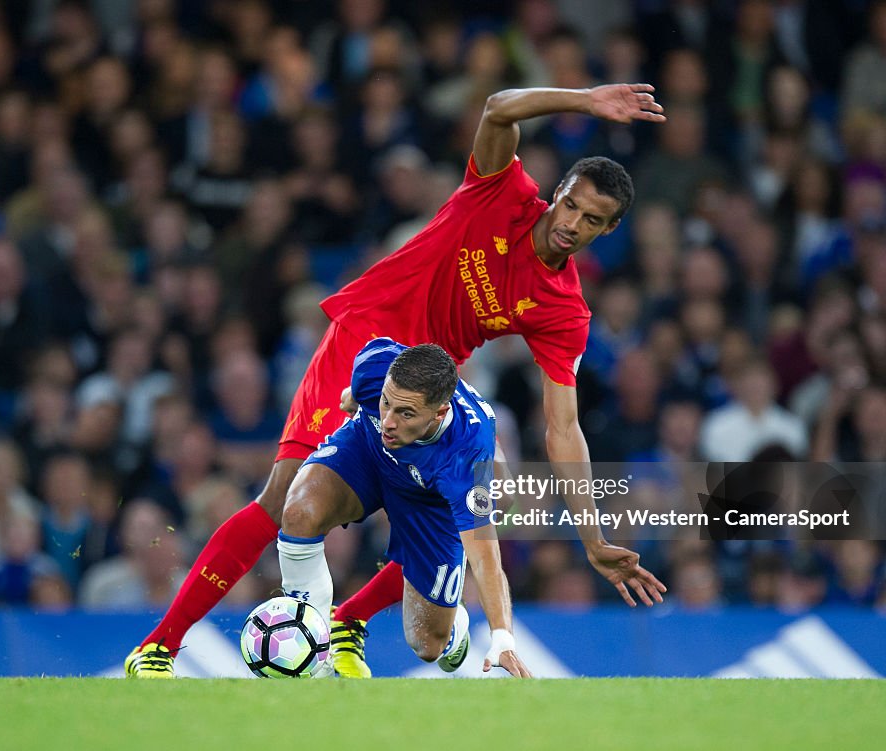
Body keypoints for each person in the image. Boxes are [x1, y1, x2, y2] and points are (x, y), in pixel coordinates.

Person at [125, 82, 667, 678]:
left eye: (592, 221)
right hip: (367, 339)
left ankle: (350, 619)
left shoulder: (564, 309)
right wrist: (586, 101)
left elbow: (565, 427)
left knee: (492, 493)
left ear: (607, 232)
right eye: (571, 205)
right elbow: (496, 108)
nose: (573, 224)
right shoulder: (502, 194)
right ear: (557, 192)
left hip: (428, 380)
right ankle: (161, 646)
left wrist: (591, 539)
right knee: (285, 500)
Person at [279, 339, 534, 677]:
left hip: (429, 500)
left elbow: (485, 557)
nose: (389, 420)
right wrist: (358, 399)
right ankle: (314, 654)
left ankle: (449, 624)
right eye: (386, 402)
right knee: (299, 513)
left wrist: (502, 637)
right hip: (368, 454)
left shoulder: (466, 457)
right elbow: (357, 396)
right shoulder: (375, 363)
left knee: (429, 645)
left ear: (439, 413)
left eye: (406, 413)